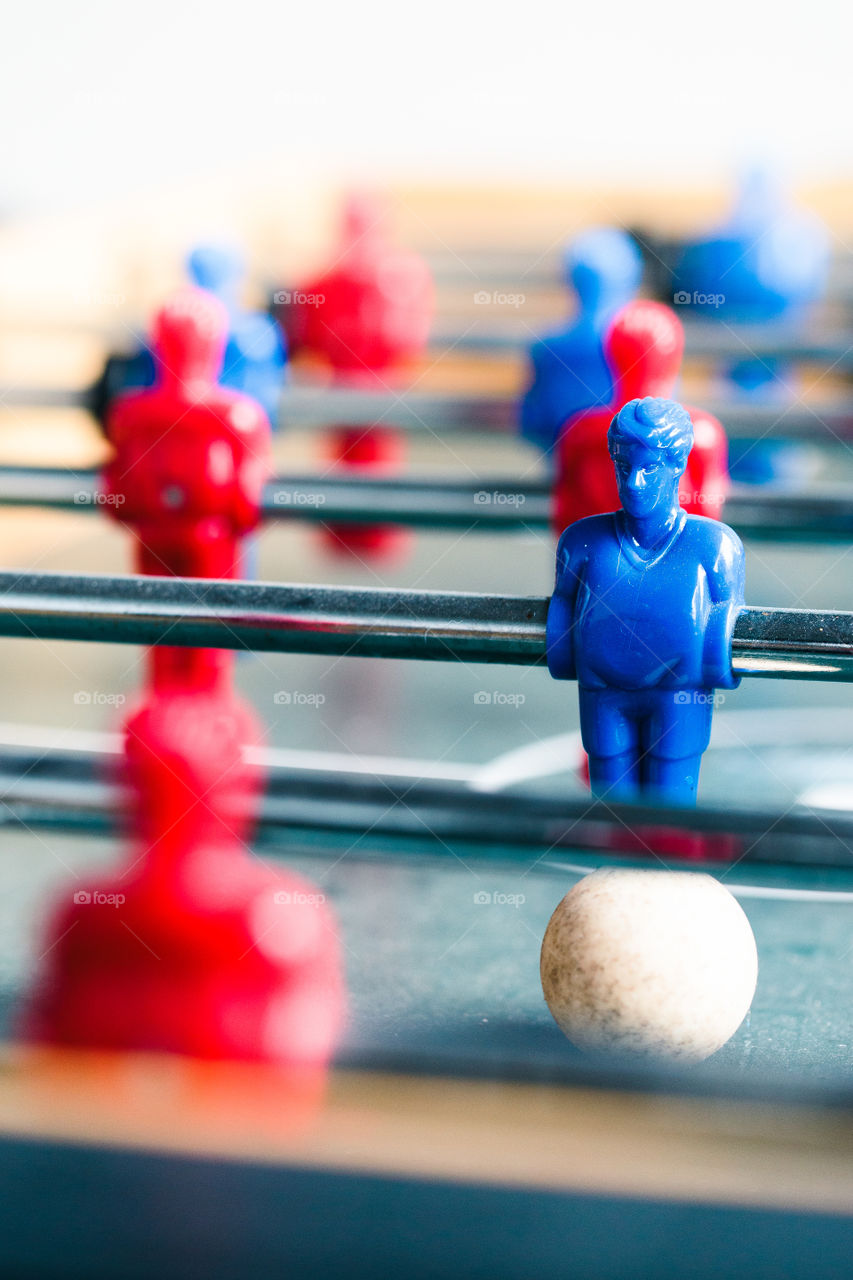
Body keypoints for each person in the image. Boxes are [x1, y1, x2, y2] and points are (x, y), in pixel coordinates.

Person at [546, 397, 744, 805]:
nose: (634, 482)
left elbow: (723, 632)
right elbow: (562, 625)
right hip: (604, 697)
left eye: (649, 468)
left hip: (678, 697)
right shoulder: (582, 545)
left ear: (677, 465)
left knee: (670, 811)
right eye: (624, 467)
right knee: (611, 814)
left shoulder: (713, 547)